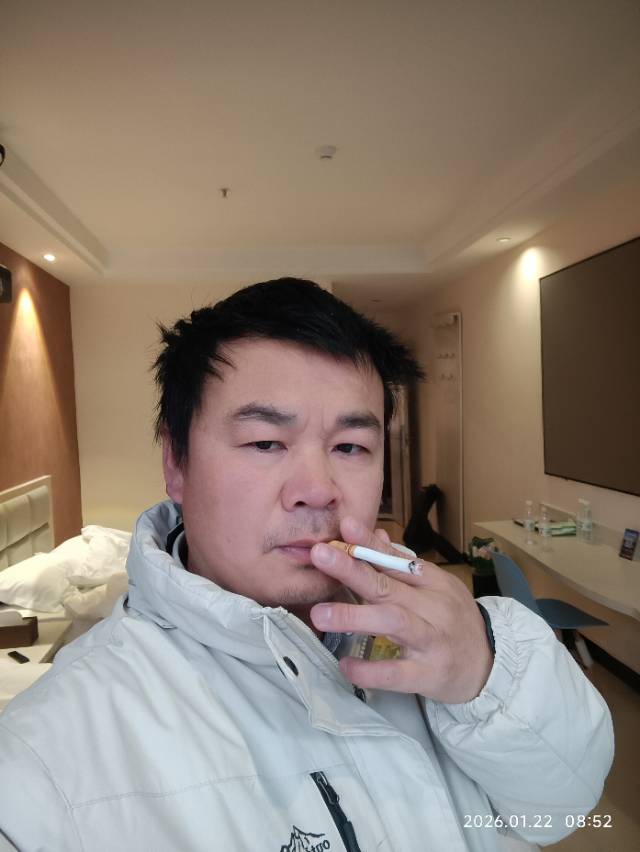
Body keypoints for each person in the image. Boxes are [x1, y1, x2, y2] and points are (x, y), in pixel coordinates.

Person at [0, 278, 613, 852]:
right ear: (175, 462)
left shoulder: (444, 628)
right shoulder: (43, 762)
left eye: (350, 446)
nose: (317, 490)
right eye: (265, 442)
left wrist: (486, 673)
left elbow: (562, 809)